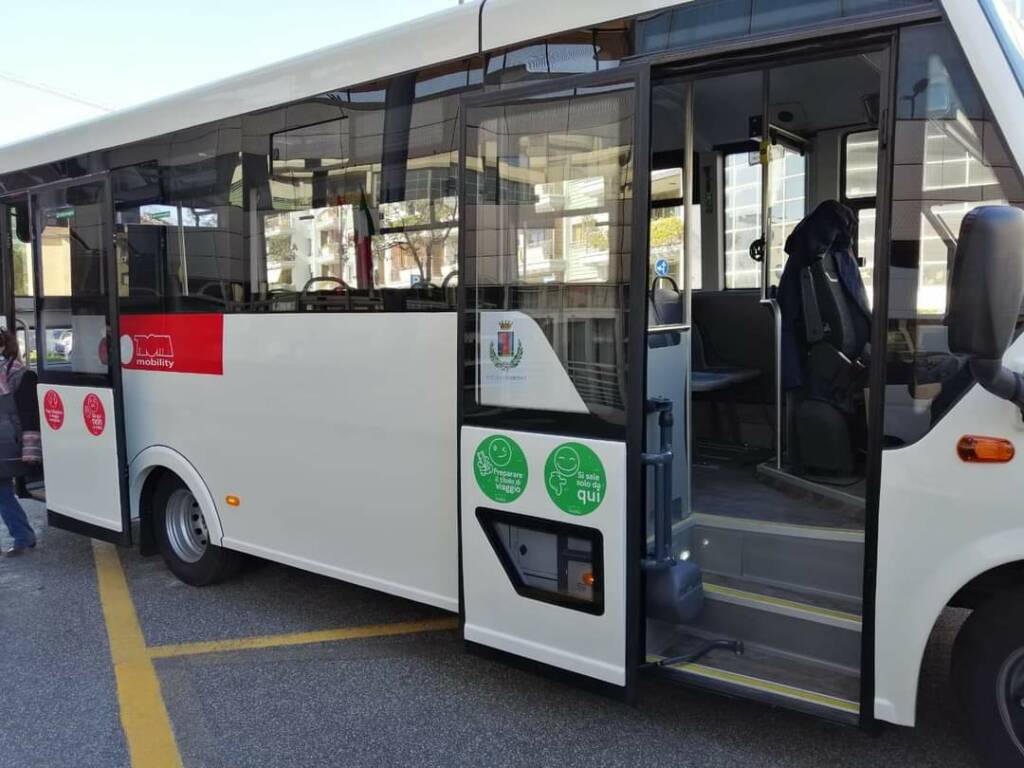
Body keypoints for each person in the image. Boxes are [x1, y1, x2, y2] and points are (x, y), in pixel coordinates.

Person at [0, 328, 40, 556]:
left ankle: (23, 536)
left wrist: (31, 450)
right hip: (7, 442)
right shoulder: (16, 373)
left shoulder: (19, 375)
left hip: (8, 444)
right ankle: (23, 535)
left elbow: (29, 415)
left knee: (2, 492)